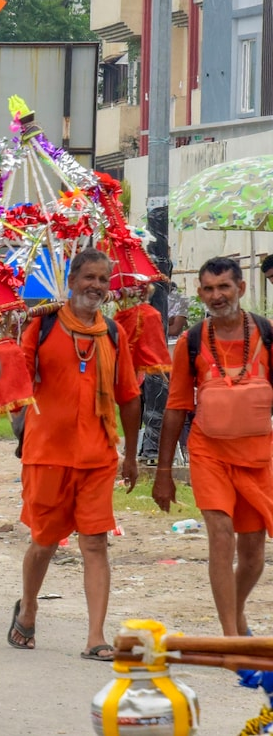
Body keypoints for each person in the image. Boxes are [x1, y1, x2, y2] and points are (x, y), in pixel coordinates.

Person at [9, 248, 141, 660]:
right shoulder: (42, 325)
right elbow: (15, 381)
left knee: (95, 543)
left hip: (98, 455)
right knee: (44, 542)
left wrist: (132, 455)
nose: (96, 287)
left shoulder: (114, 334)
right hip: (46, 453)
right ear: (71, 280)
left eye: (103, 280)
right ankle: (27, 609)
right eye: (89, 278)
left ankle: (95, 636)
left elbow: (129, 397)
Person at [153, 257, 273, 637]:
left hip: (257, 457)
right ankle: (231, 635)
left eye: (224, 287)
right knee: (221, 534)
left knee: (253, 553)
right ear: (200, 293)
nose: (216, 295)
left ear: (240, 287)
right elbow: (175, 408)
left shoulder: (267, 334)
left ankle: (235, 613)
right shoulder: (190, 341)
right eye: (208, 288)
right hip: (209, 454)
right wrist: (164, 472)